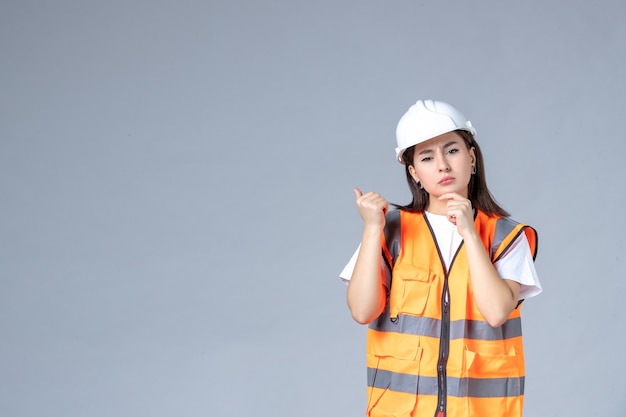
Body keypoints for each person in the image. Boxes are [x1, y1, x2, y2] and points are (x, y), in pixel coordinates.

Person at [339, 99, 542, 417]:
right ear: (414, 172)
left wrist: (470, 233)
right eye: (427, 157)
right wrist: (372, 229)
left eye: (452, 150)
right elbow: (362, 311)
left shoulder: (506, 235)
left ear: (472, 157)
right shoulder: (390, 231)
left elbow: (497, 311)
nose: (443, 165)